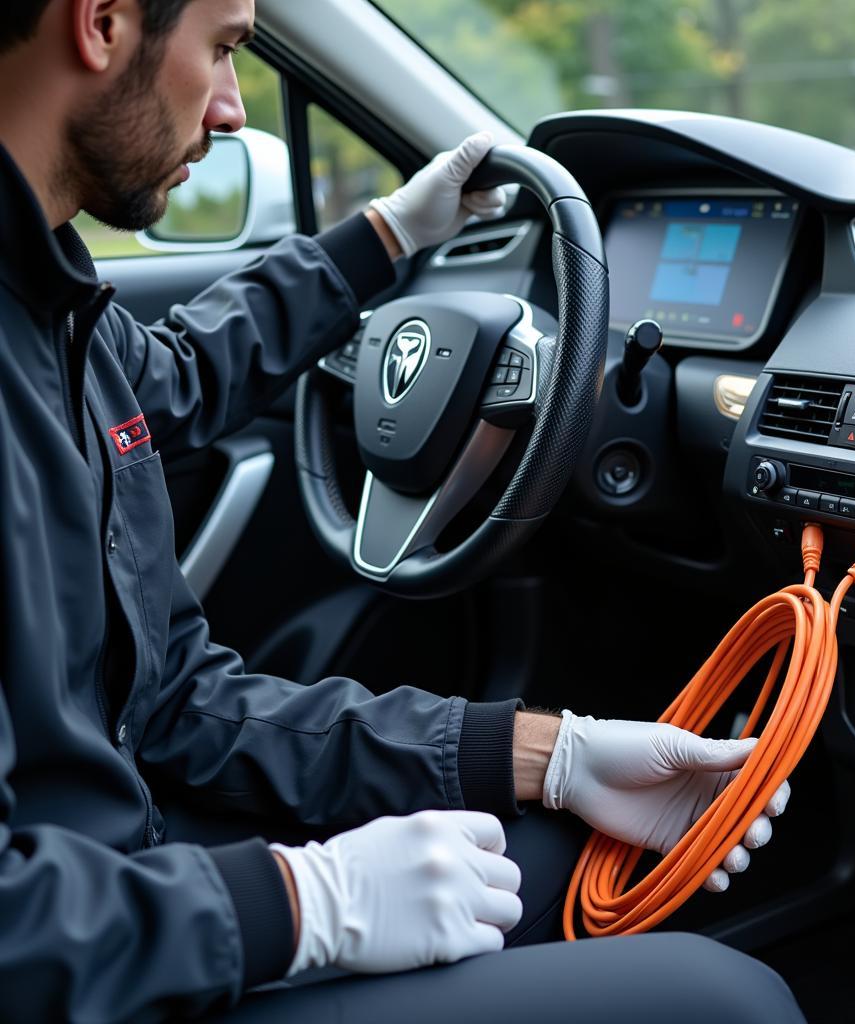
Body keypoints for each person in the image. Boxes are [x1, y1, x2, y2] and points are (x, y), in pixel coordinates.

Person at [0, 1, 806, 1021]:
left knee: (561, 846)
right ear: (103, 21)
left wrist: (542, 751)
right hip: (92, 957)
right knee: (725, 1002)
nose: (236, 110)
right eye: (226, 48)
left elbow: (167, 695)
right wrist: (301, 906)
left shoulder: (51, 311)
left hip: (125, 876)